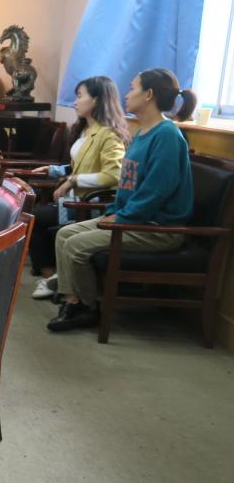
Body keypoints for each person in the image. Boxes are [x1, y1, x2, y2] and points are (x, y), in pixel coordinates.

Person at [48, 69, 196, 332]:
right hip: (133, 219)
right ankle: (74, 301)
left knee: (76, 245)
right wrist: (114, 210)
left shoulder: (168, 136)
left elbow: (156, 191)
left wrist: (122, 217)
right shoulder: (141, 133)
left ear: (149, 95)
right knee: (64, 235)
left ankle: (87, 308)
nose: (126, 95)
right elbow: (127, 185)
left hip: (157, 228)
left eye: (132, 88)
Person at [28, 76, 128, 299]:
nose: (75, 101)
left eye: (80, 96)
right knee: (34, 215)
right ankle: (51, 277)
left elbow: (113, 175)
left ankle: (54, 278)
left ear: (97, 100)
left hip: (92, 204)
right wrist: (53, 170)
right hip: (74, 199)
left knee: (37, 216)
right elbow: (79, 166)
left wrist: (73, 181)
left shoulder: (109, 134)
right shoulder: (85, 130)